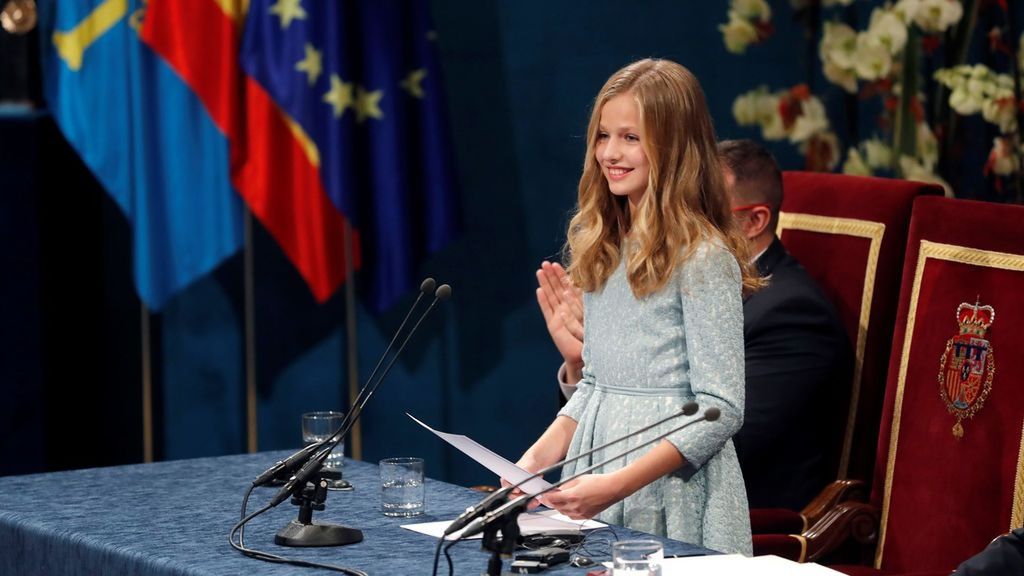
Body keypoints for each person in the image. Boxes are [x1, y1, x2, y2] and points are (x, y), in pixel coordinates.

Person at [515, 59, 757, 555]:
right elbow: (595, 384)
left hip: (671, 491)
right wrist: (530, 465)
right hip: (596, 467)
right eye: (603, 136)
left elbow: (720, 407)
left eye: (630, 137)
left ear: (675, 148)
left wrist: (619, 484)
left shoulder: (704, 257)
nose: (610, 153)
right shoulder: (602, 247)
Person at [537, 140, 852, 510]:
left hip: (736, 515)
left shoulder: (791, 315)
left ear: (754, 221)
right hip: (640, 495)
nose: (680, 216)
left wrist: (625, 372)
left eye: (700, 205)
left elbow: (721, 439)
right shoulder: (673, 281)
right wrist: (588, 363)